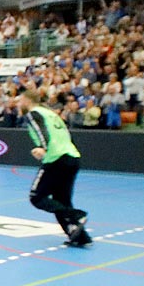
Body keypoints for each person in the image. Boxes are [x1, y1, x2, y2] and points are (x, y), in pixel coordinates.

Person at [17, 86, 91, 246]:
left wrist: (43, 148)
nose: (18, 103)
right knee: (61, 200)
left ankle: (76, 215)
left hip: (56, 158)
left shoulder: (33, 113)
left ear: (28, 101)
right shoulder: (51, 114)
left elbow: (41, 131)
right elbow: (65, 134)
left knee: (36, 197)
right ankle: (80, 237)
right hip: (72, 157)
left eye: (20, 100)